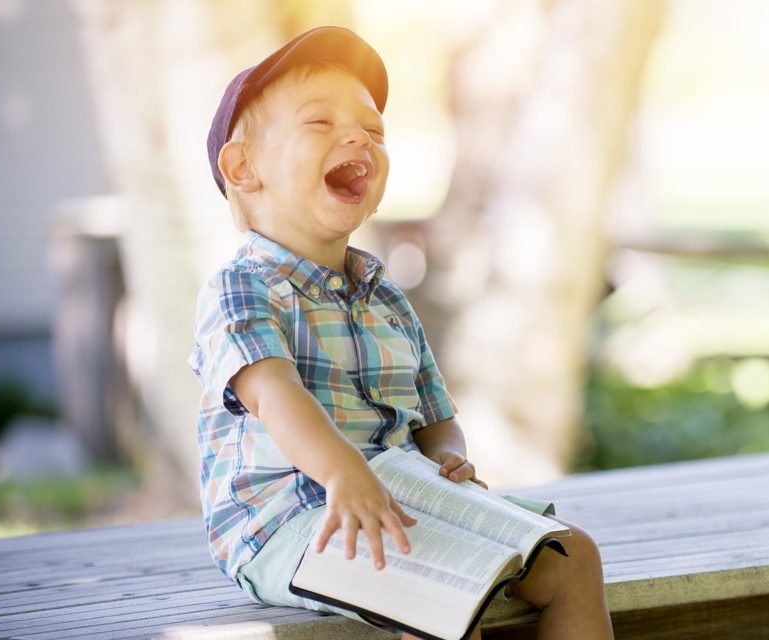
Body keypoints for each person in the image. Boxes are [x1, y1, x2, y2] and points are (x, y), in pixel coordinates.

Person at [189, 26, 613, 640]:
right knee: (435, 593)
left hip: (402, 498)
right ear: (243, 166)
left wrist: (448, 455)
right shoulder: (242, 288)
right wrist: (342, 472)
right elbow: (275, 394)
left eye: (374, 130)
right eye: (320, 123)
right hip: (287, 521)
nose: (358, 136)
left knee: (575, 558)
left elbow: (437, 414)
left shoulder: (385, 296)